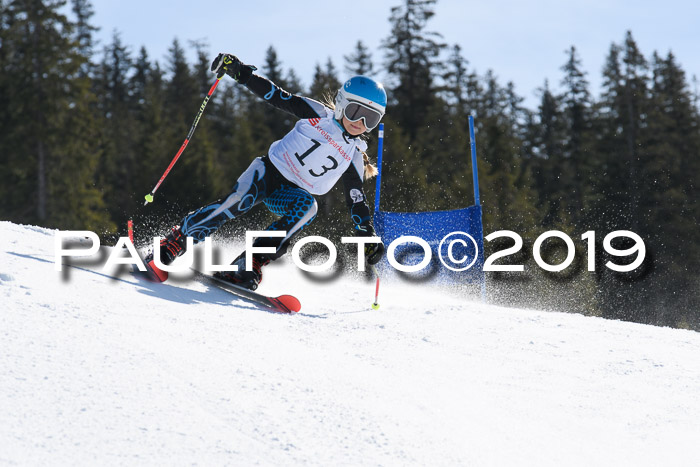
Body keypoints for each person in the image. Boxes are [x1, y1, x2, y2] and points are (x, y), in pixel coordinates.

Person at [146, 53, 386, 290]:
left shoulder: (354, 154)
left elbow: (356, 199)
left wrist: (366, 234)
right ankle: (175, 241)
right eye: (356, 112)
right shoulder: (319, 114)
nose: (360, 123)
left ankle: (249, 262)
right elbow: (279, 97)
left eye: (370, 119)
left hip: (290, 194)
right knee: (237, 202)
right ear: (342, 103)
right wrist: (242, 74)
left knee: (308, 208)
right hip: (267, 173)